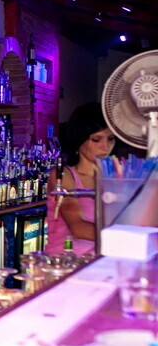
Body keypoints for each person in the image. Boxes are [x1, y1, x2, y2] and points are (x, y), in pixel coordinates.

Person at [45, 102, 116, 255]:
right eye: (96, 139)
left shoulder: (114, 177)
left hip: (100, 261)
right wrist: (125, 238)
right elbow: (77, 228)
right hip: (66, 262)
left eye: (110, 139)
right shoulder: (63, 175)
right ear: (79, 139)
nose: (105, 146)